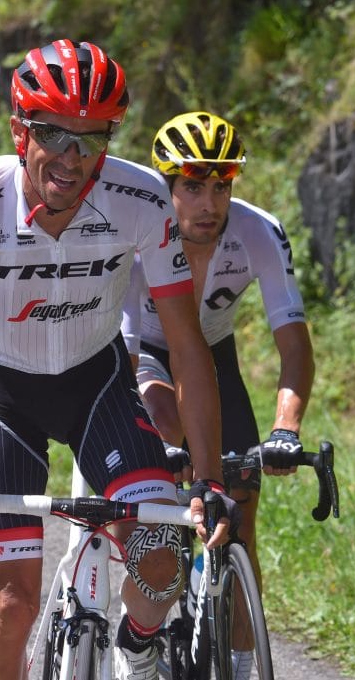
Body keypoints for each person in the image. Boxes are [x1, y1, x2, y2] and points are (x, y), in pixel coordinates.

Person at [0, 40, 236, 680]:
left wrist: (207, 477)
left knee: (161, 561)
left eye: (91, 140)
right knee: (12, 606)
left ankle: (136, 643)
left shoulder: (143, 198)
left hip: (99, 388)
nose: (71, 158)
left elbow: (184, 342)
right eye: (53, 134)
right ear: (20, 131)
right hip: (6, 396)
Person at [122, 112, 315, 679]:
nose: (209, 203)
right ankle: (152, 609)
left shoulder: (257, 231)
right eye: (193, 187)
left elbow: (296, 349)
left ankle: (237, 659)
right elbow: (127, 353)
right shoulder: (140, 234)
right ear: (167, 186)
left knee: (240, 516)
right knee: (165, 424)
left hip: (214, 358)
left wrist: (286, 430)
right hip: (148, 355)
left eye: (221, 186)